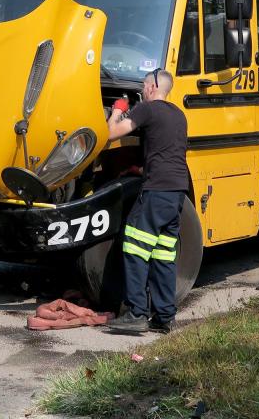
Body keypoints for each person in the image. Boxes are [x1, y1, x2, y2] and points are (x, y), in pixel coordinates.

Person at [104, 68, 189, 334]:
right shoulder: (179, 114)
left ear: (152, 87)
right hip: (177, 191)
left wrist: (119, 108)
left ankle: (137, 313)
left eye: (143, 85)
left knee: (134, 246)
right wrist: (142, 170)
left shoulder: (146, 109)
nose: (142, 90)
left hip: (157, 191)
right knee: (164, 253)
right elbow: (165, 150)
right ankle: (164, 316)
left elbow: (112, 133)